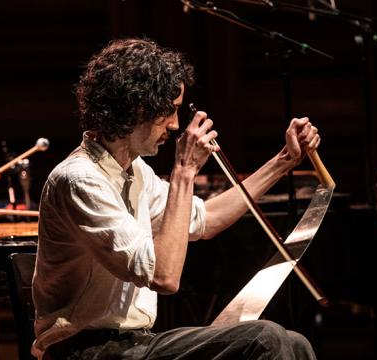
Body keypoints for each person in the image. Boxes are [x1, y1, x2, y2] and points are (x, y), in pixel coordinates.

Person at [33, 38, 321, 359]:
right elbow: (164, 277)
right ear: (136, 105)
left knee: (295, 342)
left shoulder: (134, 171)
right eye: (169, 110)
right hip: (84, 348)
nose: (175, 124)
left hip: (132, 344)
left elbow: (205, 220)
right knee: (264, 338)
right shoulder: (81, 179)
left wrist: (284, 161)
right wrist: (185, 170)